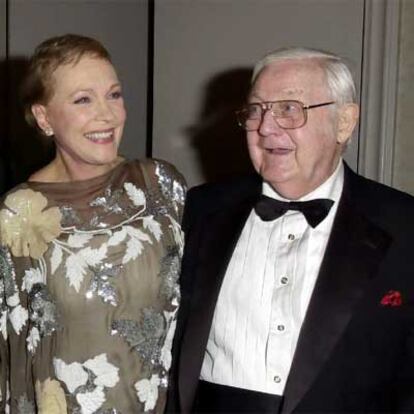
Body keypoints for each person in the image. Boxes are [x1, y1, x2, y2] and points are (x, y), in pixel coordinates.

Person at [167, 47, 414, 413]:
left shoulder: (404, 226)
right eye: (257, 110)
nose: (266, 127)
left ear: (344, 122)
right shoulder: (198, 211)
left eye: (289, 108)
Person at [0, 34, 186, 413]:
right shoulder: (18, 213)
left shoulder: (161, 185)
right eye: (83, 99)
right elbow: (13, 348)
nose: (107, 114)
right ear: (44, 117)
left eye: (114, 94)